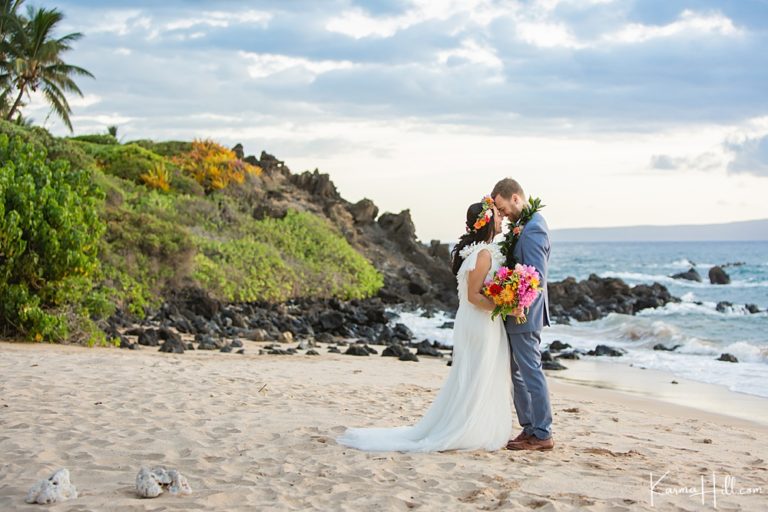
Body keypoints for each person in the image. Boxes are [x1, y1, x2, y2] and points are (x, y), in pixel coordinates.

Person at [336, 199, 512, 452]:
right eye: (497, 215)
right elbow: (474, 295)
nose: (502, 218)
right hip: (479, 322)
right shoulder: (482, 254)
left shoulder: (480, 251)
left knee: (477, 374)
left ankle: (476, 425)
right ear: (486, 222)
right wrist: (504, 306)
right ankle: (468, 429)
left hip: (477, 320)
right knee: (477, 375)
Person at [492, 178, 554, 451]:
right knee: (517, 372)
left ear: (516, 198)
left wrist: (517, 304)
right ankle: (529, 428)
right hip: (515, 312)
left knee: (531, 372)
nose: (503, 215)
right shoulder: (523, 227)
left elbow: (535, 277)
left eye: (503, 208)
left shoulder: (534, 229)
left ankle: (542, 434)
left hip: (524, 314)